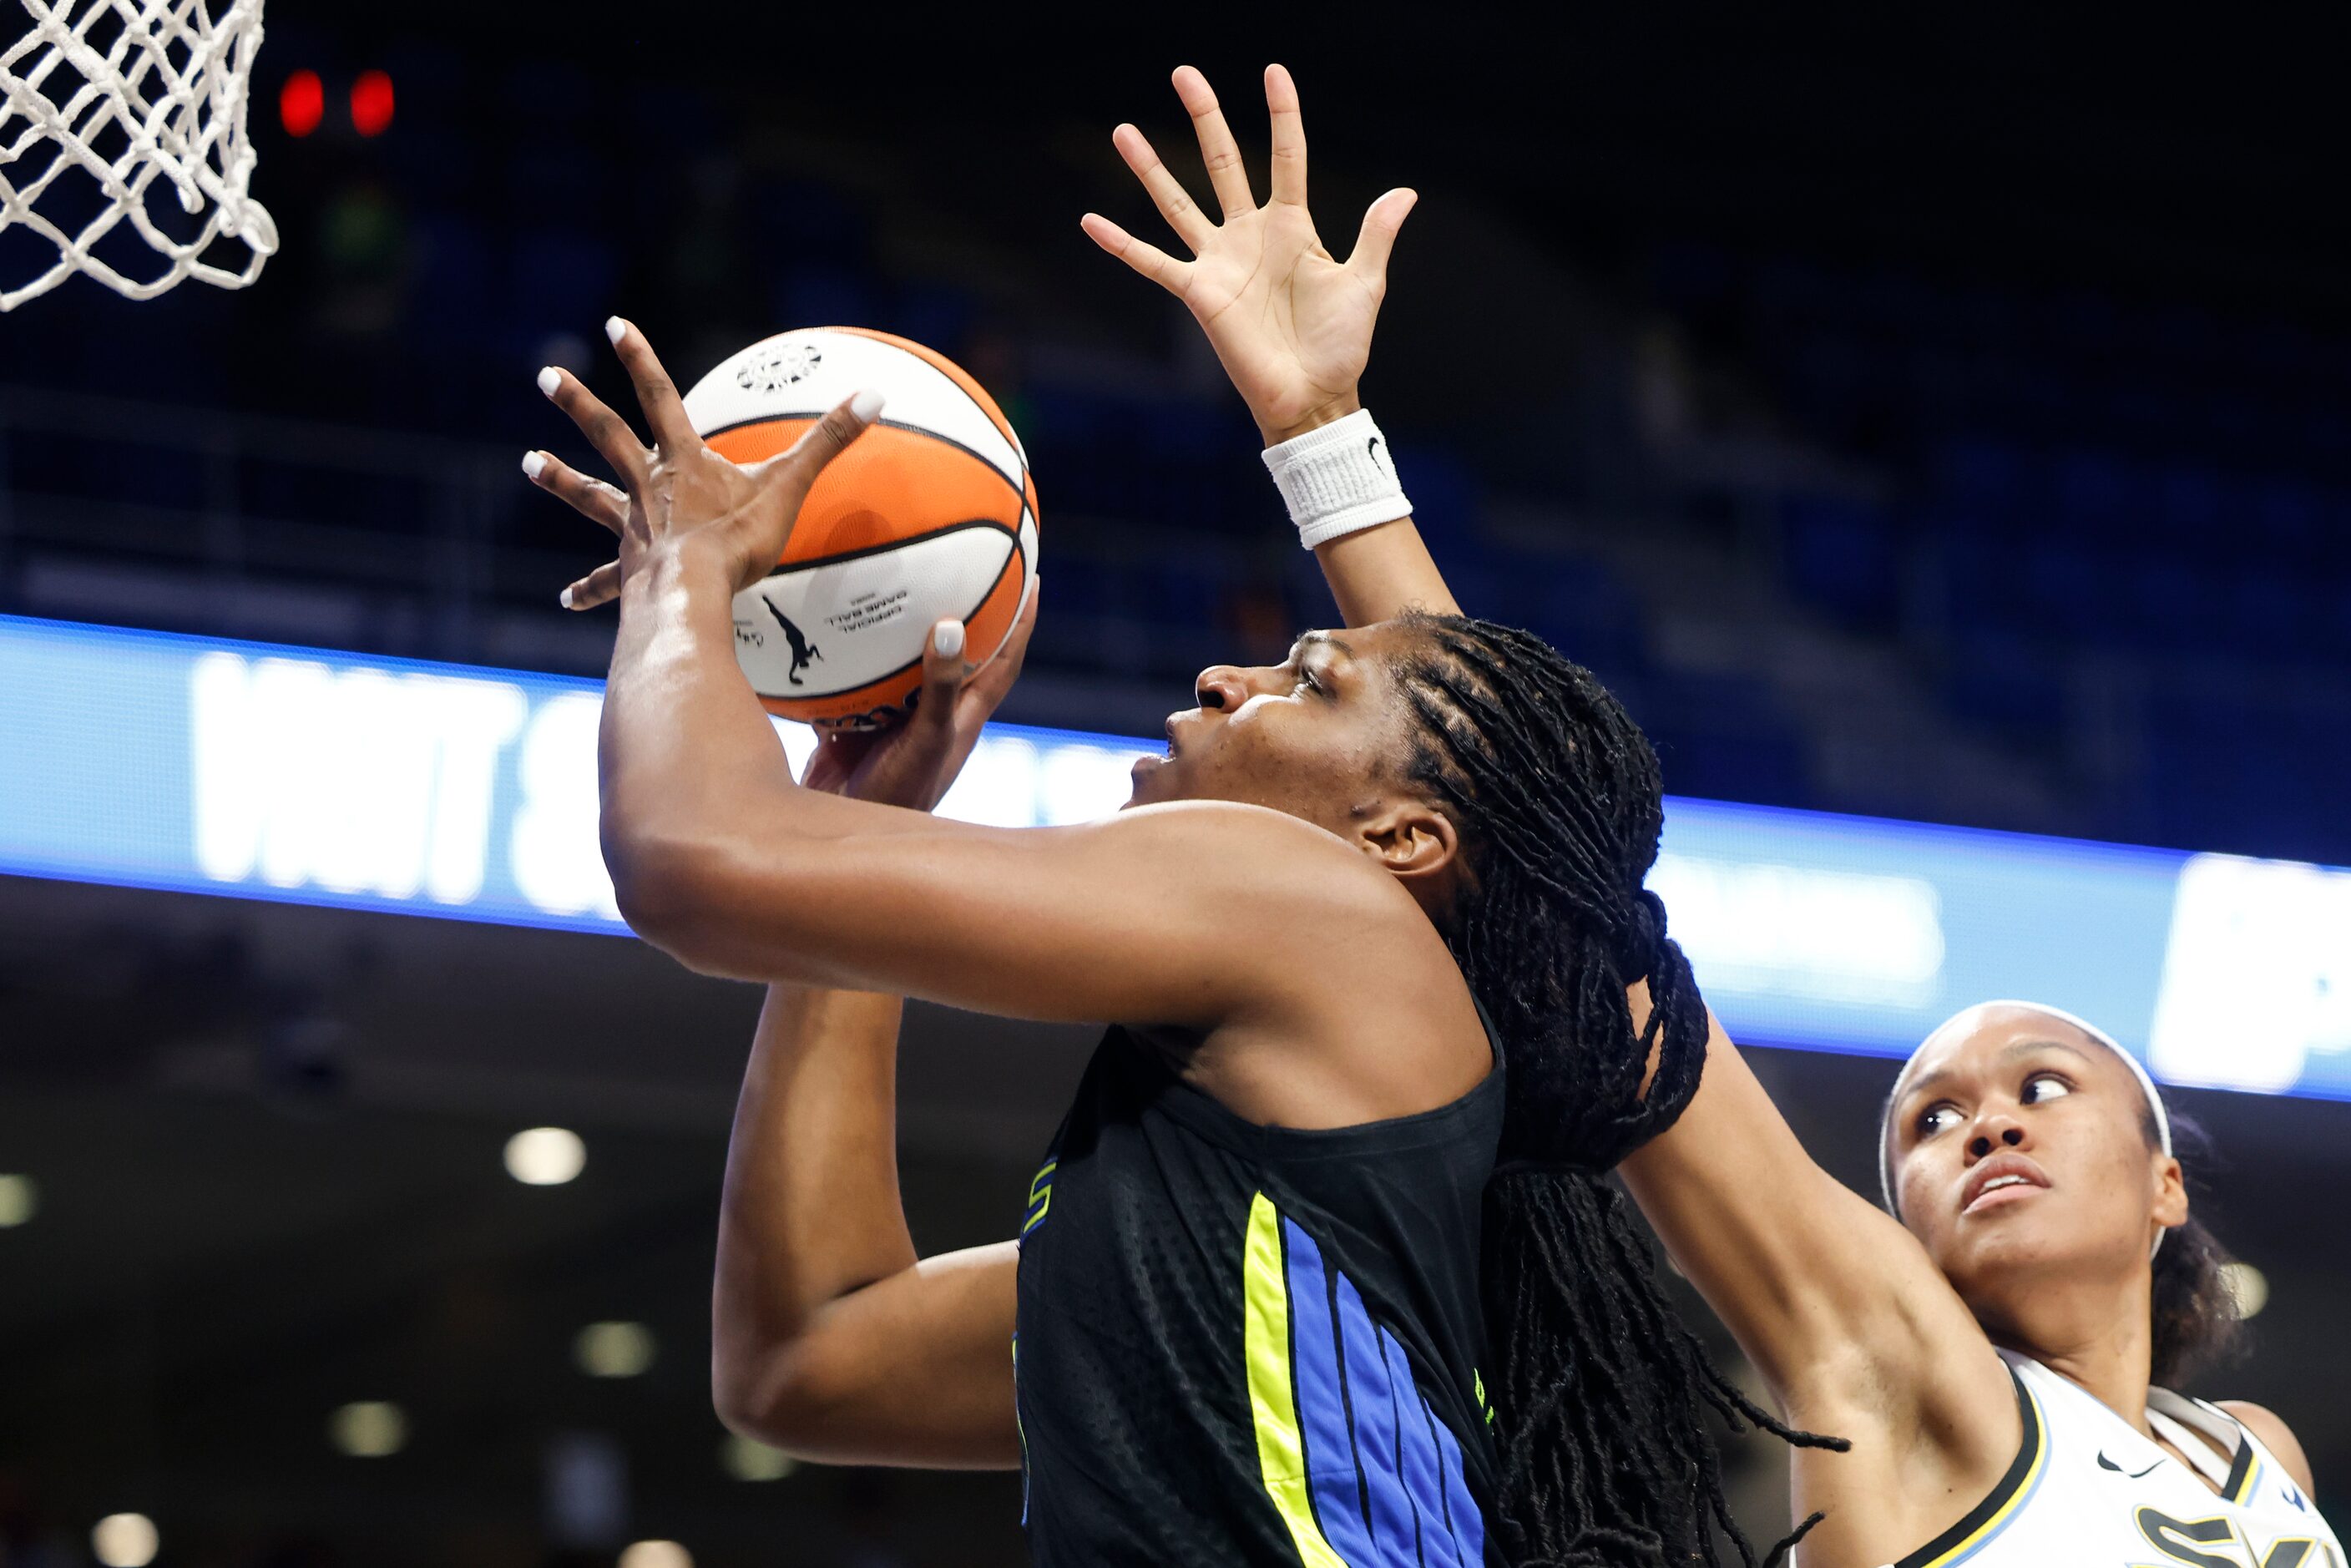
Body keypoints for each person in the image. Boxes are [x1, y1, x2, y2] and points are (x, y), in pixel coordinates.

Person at [1084, 63, 2344, 1568]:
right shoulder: (1898, 1365)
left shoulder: (2252, 1456)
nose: (1983, 1119)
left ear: (2166, 1183)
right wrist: (1323, 433)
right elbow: (1573, 899)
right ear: (1900, 1235)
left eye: (2047, 1085)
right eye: (1928, 1124)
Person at [520, 307, 1828, 1561]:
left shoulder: (1311, 905)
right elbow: (809, 1356)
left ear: (1403, 840)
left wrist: (689, 569)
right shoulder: (1306, 1197)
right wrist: (868, 815)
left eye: (1309, 683)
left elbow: (688, 857)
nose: (1227, 677)